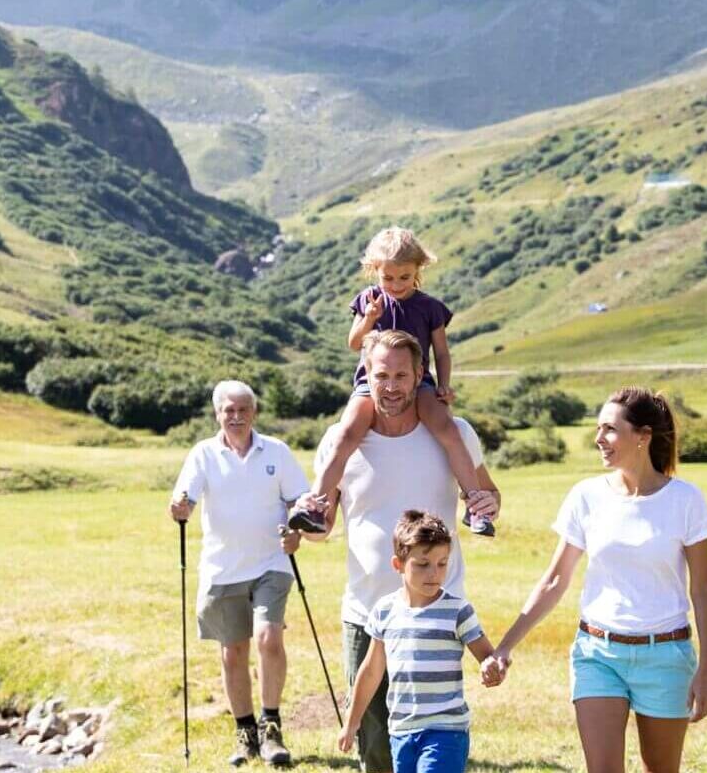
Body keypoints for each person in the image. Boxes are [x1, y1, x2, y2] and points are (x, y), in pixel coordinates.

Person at [487, 388, 707, 773]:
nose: (598, 439)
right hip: (597, 654)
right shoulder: (586, 496)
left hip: (665, 656)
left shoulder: (685, 500)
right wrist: (505, 647)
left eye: (609, 429)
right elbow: (555, 579)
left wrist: (706, 668)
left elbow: (703, 589)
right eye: (598, 428)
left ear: (642, 436)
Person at [300, 330, 498, 773]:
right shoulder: (340, 440)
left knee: (432, 740)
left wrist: (488, 502)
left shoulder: (455, 432)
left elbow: (489, 494)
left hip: (435, 613)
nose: (390, 386)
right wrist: (300, 532)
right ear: (365, 376)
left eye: (401, 375)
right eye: (380, 375)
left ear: (419, 375)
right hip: (366, 612)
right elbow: (323, 525)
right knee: (375, 748)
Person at [290, 228, 494, 536]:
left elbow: (441, 352)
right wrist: (369, 317)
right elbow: (354, 342)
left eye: (405, 277)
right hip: (368, 384)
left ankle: (477, 506)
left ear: (418, 270)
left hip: (419, 381)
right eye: (388, 278)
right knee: (345, 434)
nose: (396, 285)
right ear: (374, 271)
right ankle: (315, 505)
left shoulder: (430, 307)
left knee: (449, 430)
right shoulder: (368, 300)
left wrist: (444, 384)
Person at [171, 380, 314, 767]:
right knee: (233, 652)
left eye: (242, 409)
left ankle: (271, 728)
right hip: (222, 569)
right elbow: (184, 498)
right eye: (228, 410)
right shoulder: (203, 454)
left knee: (269, 638)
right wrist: (181, 508)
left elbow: (298, 501)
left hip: (271, 563)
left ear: (254, 412)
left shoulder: (277, 452)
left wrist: (296, 532)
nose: (235, 416)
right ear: (217, 414)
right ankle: (244, 732)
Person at [337, 510, 504, 773]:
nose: (434, 573)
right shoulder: (384, 611)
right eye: (423, 564)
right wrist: (352, 721)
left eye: (442, 563)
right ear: (398, 565)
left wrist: (491, 666)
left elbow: (487, 654)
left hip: (446, 730)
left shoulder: (457, 611)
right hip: (402, 730)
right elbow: (370, 671)